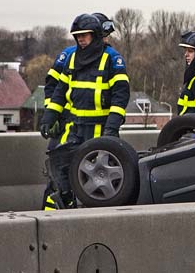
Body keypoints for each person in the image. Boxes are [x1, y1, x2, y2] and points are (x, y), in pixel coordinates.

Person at [39, 13, 130, 208]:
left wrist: (112, 129)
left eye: (85, 35)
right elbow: (59, 91)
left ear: (95, 35)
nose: (81, 39)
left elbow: (120, 96)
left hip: (99, 130)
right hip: (73, 128)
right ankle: (61, 207)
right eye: (78, 35)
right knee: (59, 166)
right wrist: (49, 117)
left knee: (97, 183)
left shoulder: (112, 59)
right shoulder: (71, 58)